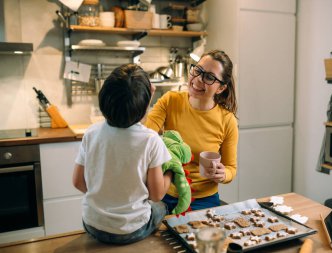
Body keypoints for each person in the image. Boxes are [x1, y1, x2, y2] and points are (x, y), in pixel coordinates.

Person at [72, 64, 172, 245]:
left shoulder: (91, 133)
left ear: (104, 97)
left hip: (93, 224)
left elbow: (78, 182)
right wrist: (171, 172)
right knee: (162, 207)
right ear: (144, 105)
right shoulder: (150, 140)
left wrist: (107, 197)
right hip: (132, 230)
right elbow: (156, 195)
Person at [145, 49, 238, 212]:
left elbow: (231, 168)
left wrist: (223, 174)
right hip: (164, 195)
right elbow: (145, 137)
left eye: (209, 77)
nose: (198, 79)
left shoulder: (227, 120)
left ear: (221, 88)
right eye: (198, 70)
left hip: (204, 200)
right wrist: (143, 102)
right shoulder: (170, 100)